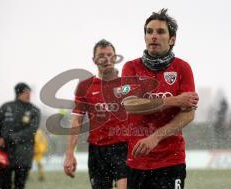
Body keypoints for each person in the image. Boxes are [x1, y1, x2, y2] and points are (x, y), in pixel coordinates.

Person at [121, 9, 198, 189]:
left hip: (171, 161)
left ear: (172, 40)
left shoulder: (182, 68)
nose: (153, 36)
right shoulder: (131, 67)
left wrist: (155, 137)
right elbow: (130, 105)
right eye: (149, 31)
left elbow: (188, 115)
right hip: (137, 161)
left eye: (160, 31)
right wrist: (172, 101)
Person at [63, 39, 128, 189]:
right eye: (101, 55)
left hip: (123, 148)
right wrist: (69, 154)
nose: (106, 59)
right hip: (97, 151)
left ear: (115, 57)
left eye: (110, 55)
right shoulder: (85, 86)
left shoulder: (126, 84)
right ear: (94, 60)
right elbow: (76, 121)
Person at [0, 82, 40, 189]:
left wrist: (10, 138)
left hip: (24, 155)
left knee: (20, 185)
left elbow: (31, 130)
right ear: (18, 93)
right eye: (25, 92)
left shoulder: (34, 110)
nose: (28, 95)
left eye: (29, 92)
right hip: (4, 154)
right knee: (3, 185)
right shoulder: (6, 107)